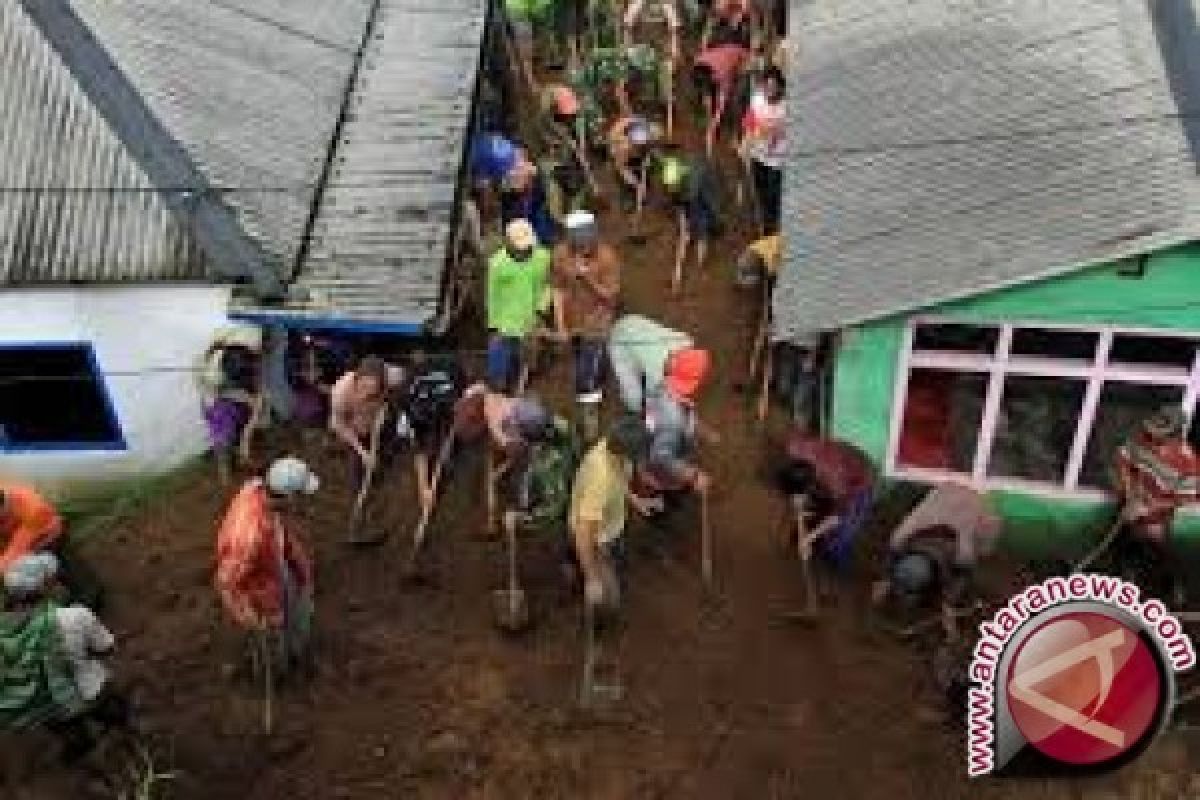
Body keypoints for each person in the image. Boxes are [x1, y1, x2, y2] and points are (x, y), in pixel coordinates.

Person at [0, 553, 129, 764]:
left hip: (42, 709)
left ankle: (80, 744)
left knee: (66, 724)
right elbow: (107, 648)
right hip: (88, 693)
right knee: (108, 701)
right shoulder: (74, 616)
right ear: (45, 587)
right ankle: (121, 728)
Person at [214, 457, 319, 669]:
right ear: (289, 497)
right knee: (273, 640)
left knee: (297, 605)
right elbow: (227, 582)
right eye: (302, 497)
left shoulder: (259, 489)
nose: (306, 503)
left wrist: (300, 569)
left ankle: (296, 651)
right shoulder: (248, 537)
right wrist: (249, 616)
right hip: (259, 589)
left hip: (273, 559)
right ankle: (278, 669)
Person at [870, 482, 1001, 641]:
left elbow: (970, 567)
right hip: (940, 499)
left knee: (967, 572)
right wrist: (885, 578)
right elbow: (892, 551)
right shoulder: (900, 538)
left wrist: (948, 604)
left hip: (966, 521)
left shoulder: (963, 554)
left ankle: (926, 595)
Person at [1112, 405, 1200, 604]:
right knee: (1122, 545)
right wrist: (1130, 494)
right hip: (1133, 501)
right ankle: (1122, 584)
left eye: (1160, 434)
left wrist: (1148, 509)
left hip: (1158, 512)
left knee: (1154, 547)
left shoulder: (1188, 461)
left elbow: (1184, 498)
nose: (1152, 436)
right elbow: (1123, 460)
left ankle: (1170, 588)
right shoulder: (1142, 440)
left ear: (1176, 435)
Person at [567, 416, 656, 612]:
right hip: (597, 540)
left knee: (615, 566)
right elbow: (584, 532)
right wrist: (592, 578)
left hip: (612, 528)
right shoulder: (600, 478)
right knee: (607, 600)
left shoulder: (613, 449)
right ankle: (596, 615)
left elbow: (620, 480)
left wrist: (634, 500)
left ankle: (580, 570)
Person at [552, 211, 622, 441]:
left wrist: (588, 280)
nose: (586, 249)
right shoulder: (561, 254)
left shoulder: (607, 258)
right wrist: (561, 324)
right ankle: (594, 380)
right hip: (574, 321)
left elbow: (611, 298)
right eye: (581, 245)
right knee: (585, 360)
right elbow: (558, 289)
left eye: (589, 244)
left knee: (585, 375)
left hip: (598, 322)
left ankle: (590, 414)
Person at [774, 429, 875, 570]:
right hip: (838, 465)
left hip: (860, 482)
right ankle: (815, 532)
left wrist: (809, 538)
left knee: (841, 535)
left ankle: (837, 561)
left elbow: (839, 515)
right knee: (816, 510)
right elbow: (790, 442)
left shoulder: (835, 480)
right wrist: (799, 506)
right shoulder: (797, 449)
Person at [634, 347, 717, 507]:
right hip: (659, 471)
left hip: (656, 444)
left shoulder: (665, 389)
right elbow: (660, 457)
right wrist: (694, 476)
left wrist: (701, 429)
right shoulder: (672, 420)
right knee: (661, 494)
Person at [487, 219, 553, 394]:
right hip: (505, 322)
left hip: (532, 318)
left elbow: (548, 286)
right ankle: (498, 388)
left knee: (527, 359)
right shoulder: (497, 263)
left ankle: (521, 387)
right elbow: (493, 295)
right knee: (499, 360)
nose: (524, 251)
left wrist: (541, 310)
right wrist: (493, 325)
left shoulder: (543, 257)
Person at [398, 352, 466, 518]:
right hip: (428, 384)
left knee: (449, 436)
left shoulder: (448, 396)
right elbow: (419, 452)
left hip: (452, 372)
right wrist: (424, 489)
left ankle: (450, 458)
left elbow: (456, 414)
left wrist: (446, 447)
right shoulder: (409, 402)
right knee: (417, 438)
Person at [197, 325, 265, 485]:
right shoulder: (215, 368)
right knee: (223, 437)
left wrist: (254, 400)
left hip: (236, 400)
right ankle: (225, 476)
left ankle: (241, 457)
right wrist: (249, 399)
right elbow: (214, 391)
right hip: (218, 402)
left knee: (240, 429)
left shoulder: (246, 358)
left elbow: (255, 390)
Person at [329, 356, 405, 494]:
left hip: (376, 416)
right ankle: (357, 489)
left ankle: (385, 459)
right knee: (356, 459)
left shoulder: (393, 377)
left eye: (372, 390)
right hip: (352, 424)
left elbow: (403, 382)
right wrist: (362, 452)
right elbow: (340, 425)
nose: (365, 394)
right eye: (363, 387)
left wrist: (387, 405)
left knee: (387, 438)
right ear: (356, 380)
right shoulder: (340, 393)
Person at [658, 144, 722, 294]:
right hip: (694, 170)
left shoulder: (693, 188)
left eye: (673, 187)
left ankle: (700, 265)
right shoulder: (671, 168)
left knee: (703, 227)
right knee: (689, 228)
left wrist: (689, 228)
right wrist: (683, 224)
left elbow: (695, 206)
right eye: (669, 187)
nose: (670, 189)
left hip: (705, 184)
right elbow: (678, 203)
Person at [607, 313, 697, 414]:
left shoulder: (683, 341)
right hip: (619, 344)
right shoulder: (655, 372)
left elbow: (689, 345)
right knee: (634, 399)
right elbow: (651, 396)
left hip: (633, 321)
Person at [739, 65, 785, 235]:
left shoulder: (786, 106)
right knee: (761, 194)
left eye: (773, 87)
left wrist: (774, 131)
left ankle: (775, 227)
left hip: (777, 161)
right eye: (767, 86)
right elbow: (749, 122)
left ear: (780, 86)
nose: (770, 90)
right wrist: (745, 142)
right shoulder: (757, 100)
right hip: (758, 156)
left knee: (774, 196)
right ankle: (766, 229)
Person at [538, 85, 601, 208]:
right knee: (564, 171)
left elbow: (580, 125)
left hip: (569, 135)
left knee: (581, 164)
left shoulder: (573, 106)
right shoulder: (545, 117)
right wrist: (560, 142)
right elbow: (549, 136)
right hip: (555, 150)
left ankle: (586, 193)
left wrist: (581, 144)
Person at [692, 38, 752, 155]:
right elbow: (706, 93)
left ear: (713, 77)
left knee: (736, 102)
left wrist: (715, 123)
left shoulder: (723, 73)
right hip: (726, 54)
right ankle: (712, 126)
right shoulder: (698, 63)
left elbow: (722, 101)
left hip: (744, 63)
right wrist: (709, 118)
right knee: (708, 100)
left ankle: (737, 135)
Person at [500, 147, 562, 249]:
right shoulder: (507, 174)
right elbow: (508, 196)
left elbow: (542, 192)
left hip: (535, 208)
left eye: (522, 156)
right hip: (517, 212)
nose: (519, 161)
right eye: (516, 157)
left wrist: (532, 179)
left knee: (543, 227)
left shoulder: (536, 172)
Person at [0, 482, 63, 574]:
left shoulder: (31, 508)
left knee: (16, 578)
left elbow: (17, 550)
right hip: (24, 545)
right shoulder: (9, 502)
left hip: (47, 540)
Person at [606, 114, 660, 215]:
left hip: (633, 131)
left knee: (646, 173)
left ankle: (646, 196)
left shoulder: (649, 129)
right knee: (625, 182)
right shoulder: (622, 147)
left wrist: (651, 155)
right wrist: (637, 185)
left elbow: (655, 143)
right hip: (621, 157)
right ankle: (629, 203)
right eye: (639, 146)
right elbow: (622, 169)